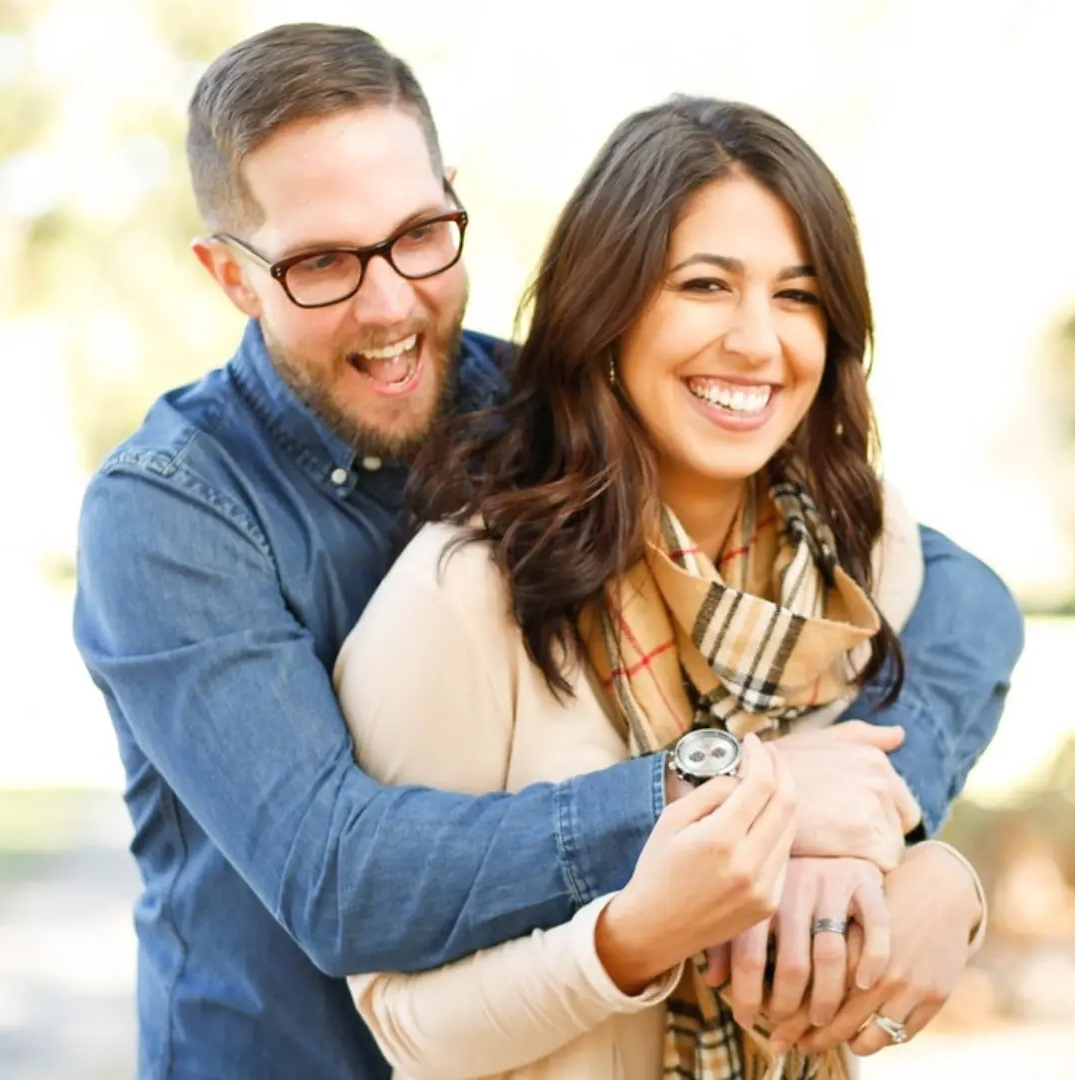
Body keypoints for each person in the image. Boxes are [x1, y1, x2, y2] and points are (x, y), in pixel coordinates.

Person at [71, 23, 1023, 1080]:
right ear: (231, 276)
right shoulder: (171, 512)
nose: (392, 304)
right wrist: (733, 795)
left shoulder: (542, 409)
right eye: (321, 264)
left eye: (421, 234)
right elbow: (339, 876)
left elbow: (963, 597)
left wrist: (894, 824)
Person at [331, 94, 994, 1080]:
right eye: (704, 286)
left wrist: (942, 879)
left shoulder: (862, 548)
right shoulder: (464, 596)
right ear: (609, 305)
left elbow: (870, 806)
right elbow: (405, 1023)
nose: (757, 342)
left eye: (799, 296)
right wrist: (634, 936)